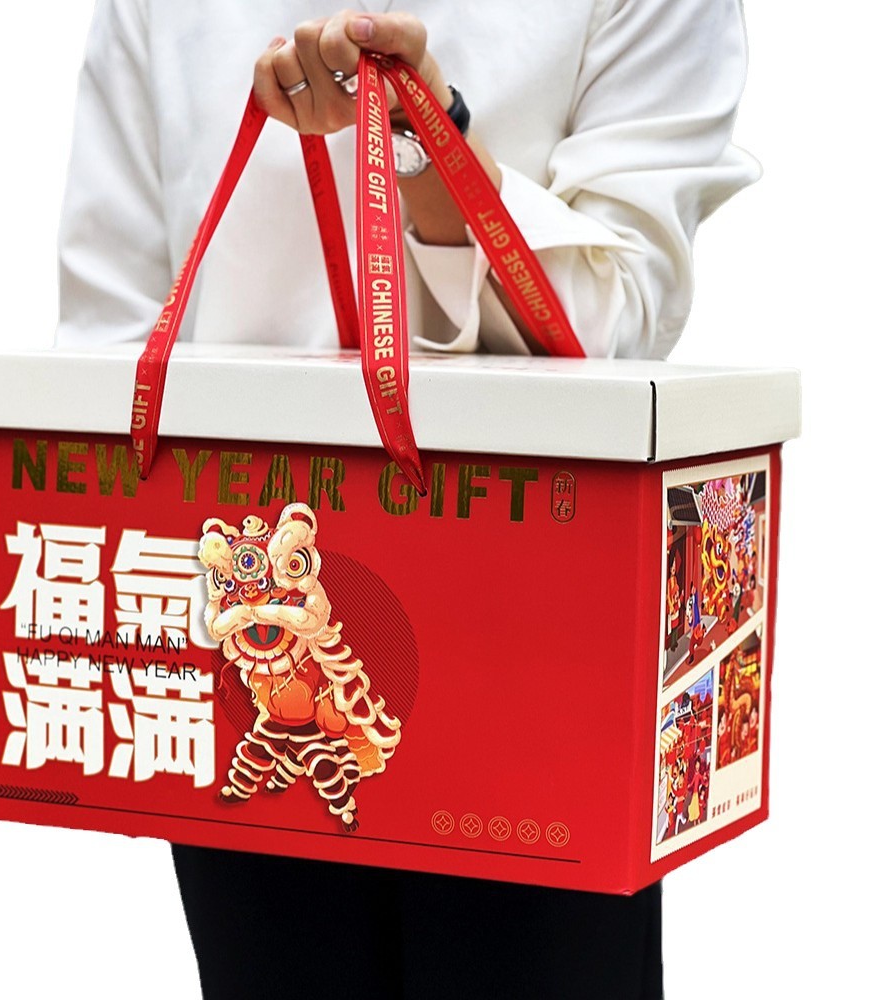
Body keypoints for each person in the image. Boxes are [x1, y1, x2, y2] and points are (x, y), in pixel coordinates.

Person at [56, 2, 758, 996]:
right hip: (242, 637)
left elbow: (618, 331)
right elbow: (108, 349)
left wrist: (427, 148)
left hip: (539, 651)